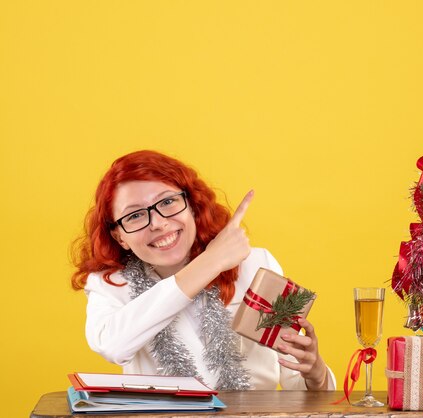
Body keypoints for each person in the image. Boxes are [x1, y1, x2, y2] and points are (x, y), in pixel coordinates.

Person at [71, 150, 335, 391]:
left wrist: (316, 374)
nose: (159, 224)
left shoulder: (255, 265)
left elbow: (300, 387)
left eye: (167, 202)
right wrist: (211, 261)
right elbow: (112, 345)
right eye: (135, 216)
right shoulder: (109, 284)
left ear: (192, 206)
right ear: (119, 237)